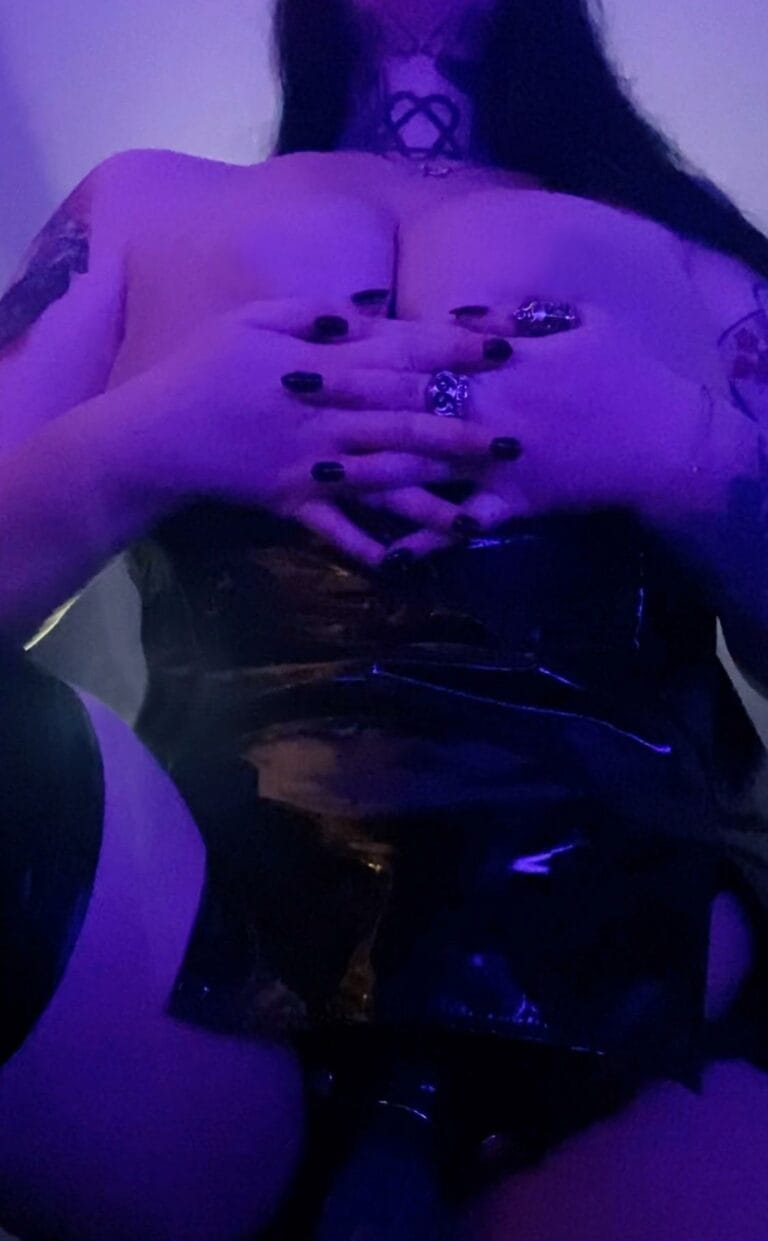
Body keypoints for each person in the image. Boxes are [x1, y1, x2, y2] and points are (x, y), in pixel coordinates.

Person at [2, 0, 768, 1236]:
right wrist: (150, 438)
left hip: (634, 1005)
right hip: (192, 986)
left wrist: (678, 450)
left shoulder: (696, 260)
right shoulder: (143, 205)